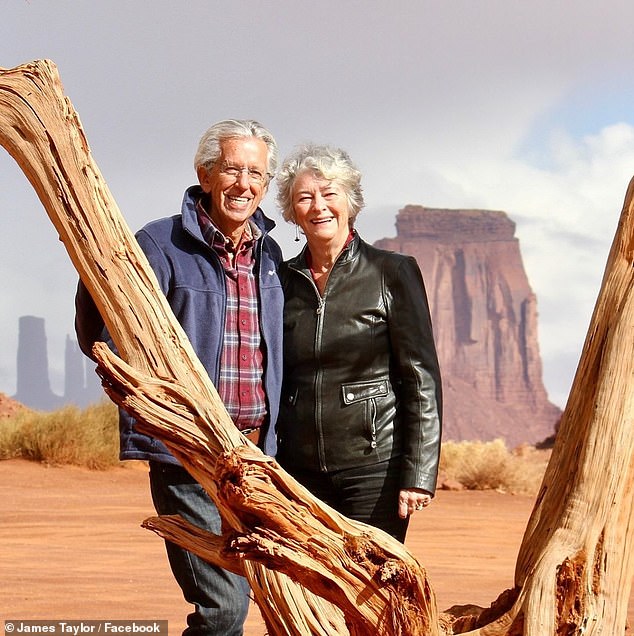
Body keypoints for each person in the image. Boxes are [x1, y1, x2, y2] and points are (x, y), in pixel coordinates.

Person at [74, 120, 284, 635]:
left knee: (269, 592)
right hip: (187, 451)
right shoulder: (162, 242)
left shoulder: (270, 255)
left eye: (256, 173)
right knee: (222, 609)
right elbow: (102, 318)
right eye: (232, 169)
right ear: (205, 174)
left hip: (256, 455)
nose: (244, 184)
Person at [275, 143, 442, 543]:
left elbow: (420, 377)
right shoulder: (279, 280)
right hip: (298, 471)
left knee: (370, 586)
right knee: (311, 592)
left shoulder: (392, 272)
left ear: (350, 202)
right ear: (292, 213)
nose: (319, 206)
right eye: (305, 198)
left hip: (374, 468)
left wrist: (418, 474)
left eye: (330, 194)